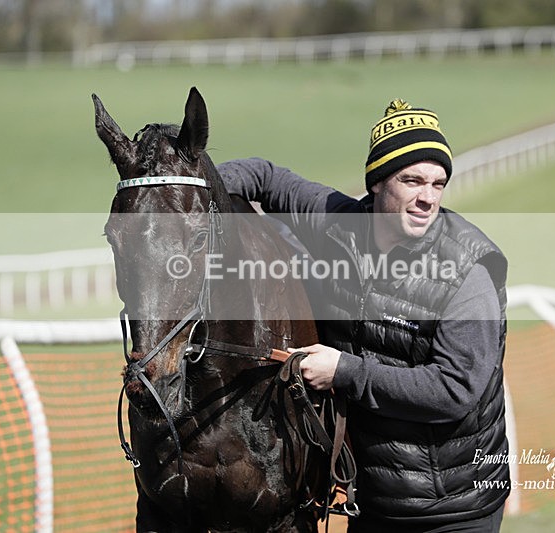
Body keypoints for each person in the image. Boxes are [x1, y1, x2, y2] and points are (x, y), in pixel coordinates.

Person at [218, 98, 510, 532]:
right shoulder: (337, 221)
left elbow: (455, 390)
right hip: (372, 502)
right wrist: (195, 190)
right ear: (375, 184)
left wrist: (344, 371)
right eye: (412, 181)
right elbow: (264, 177)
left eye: (437, 183)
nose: (427, 198)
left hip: (454, 508)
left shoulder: (468, 272)